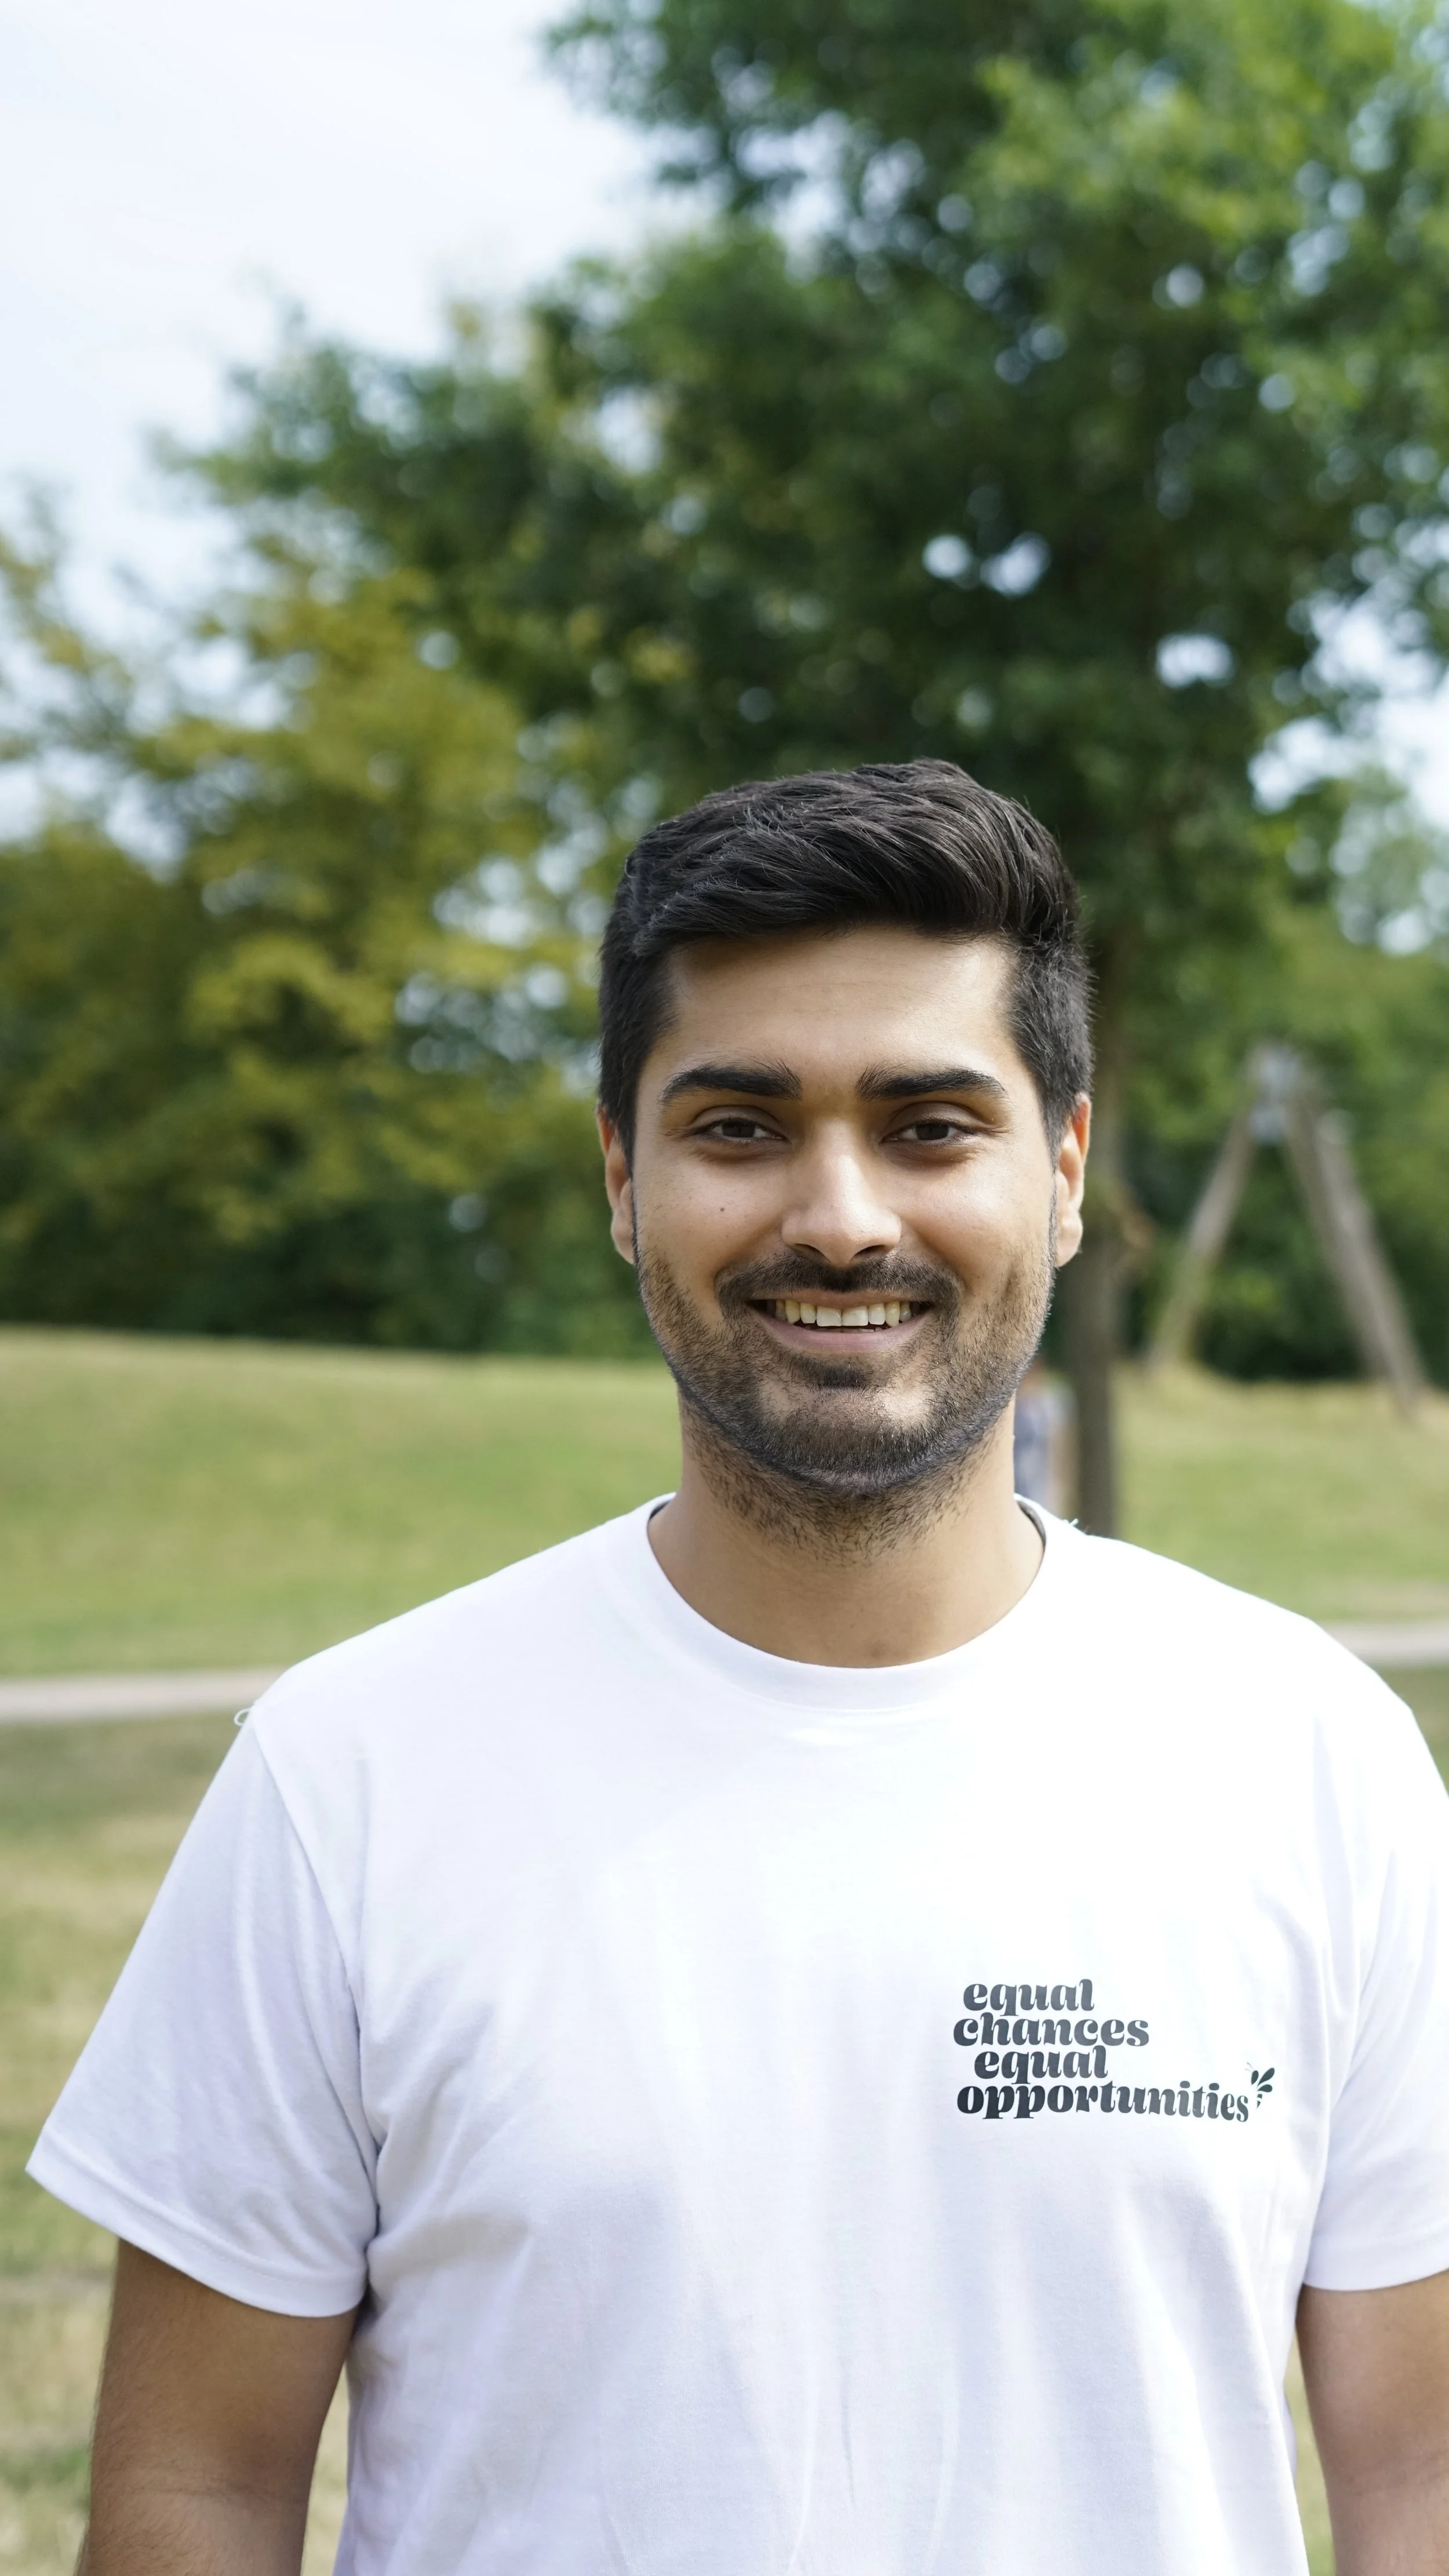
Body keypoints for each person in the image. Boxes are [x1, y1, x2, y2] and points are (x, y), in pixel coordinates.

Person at [30, 759, 1449, 2576]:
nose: (840, 1215)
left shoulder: (1308, 1755)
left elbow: (1418, 2471)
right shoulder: (348, 1775)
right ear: (622, 1177)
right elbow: (197, 2495)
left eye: (929, 1125)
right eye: (738, 1125)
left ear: (1064, 1171)